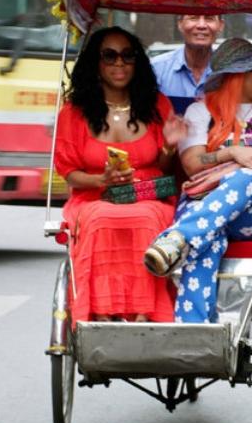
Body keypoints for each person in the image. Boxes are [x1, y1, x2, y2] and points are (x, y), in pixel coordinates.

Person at [143, 39, 252, 323]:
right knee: (206, 243)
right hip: (208, 203)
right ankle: (194, 331)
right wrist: (231, 153)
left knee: (247, 177)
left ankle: (179, 238)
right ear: (234, 74)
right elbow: (193, 164)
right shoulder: (201, 112)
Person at [53, 26, 187, 323]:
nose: (119, 64)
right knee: (101, 218)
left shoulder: (155, 105)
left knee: (146, 218)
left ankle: (144, 313)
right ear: (96, 63)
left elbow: (164, 168)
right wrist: (101, 180)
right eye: (109, 56)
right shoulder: (74, 112)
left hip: (148, 196)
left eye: (128, 56)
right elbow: (70, 173)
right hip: (92, 198)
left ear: (137, 62)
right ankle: (101, 313)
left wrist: (169, 145)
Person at [150, 14, 225, 114]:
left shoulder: (230, 72)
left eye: (209, 18)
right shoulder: (156, 69)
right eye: (193, 18)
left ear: (220, 25)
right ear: (180, 24)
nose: (201, 25)